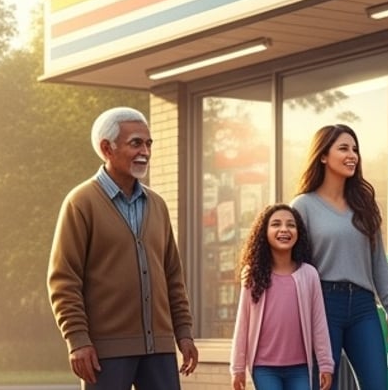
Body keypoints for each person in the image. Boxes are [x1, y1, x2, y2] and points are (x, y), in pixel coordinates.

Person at [48, 107, 198, 389]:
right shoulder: (80, 203)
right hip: (105, 352)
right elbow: (64, 280)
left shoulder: (158, 205)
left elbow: (173, 277)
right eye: (136, 143)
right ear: (107, 148)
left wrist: (184, 333)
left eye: (148, 143)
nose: (145, 151)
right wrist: (77, 340)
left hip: (159, 350)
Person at [293, 124, 388, 390]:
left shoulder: (364, 205)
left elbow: (378, 260)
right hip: (323, 304)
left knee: (377, 385)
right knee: (321, 386)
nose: (352, 155)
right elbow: (292, 264)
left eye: (355, 149)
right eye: (343, 148)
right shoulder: (303, 206)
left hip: (364, 307)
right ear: (323, 155)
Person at [231, 204, 334, 390]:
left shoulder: (309, 274)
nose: (284, 229)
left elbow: (319, 323)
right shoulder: (252, 274)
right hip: (264, 368)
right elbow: (243, 323)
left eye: (291, 225)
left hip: (300, 368)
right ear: (264, 232)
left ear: (298, 232)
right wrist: (237, 367)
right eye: (276, 224)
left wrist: (326, 364)